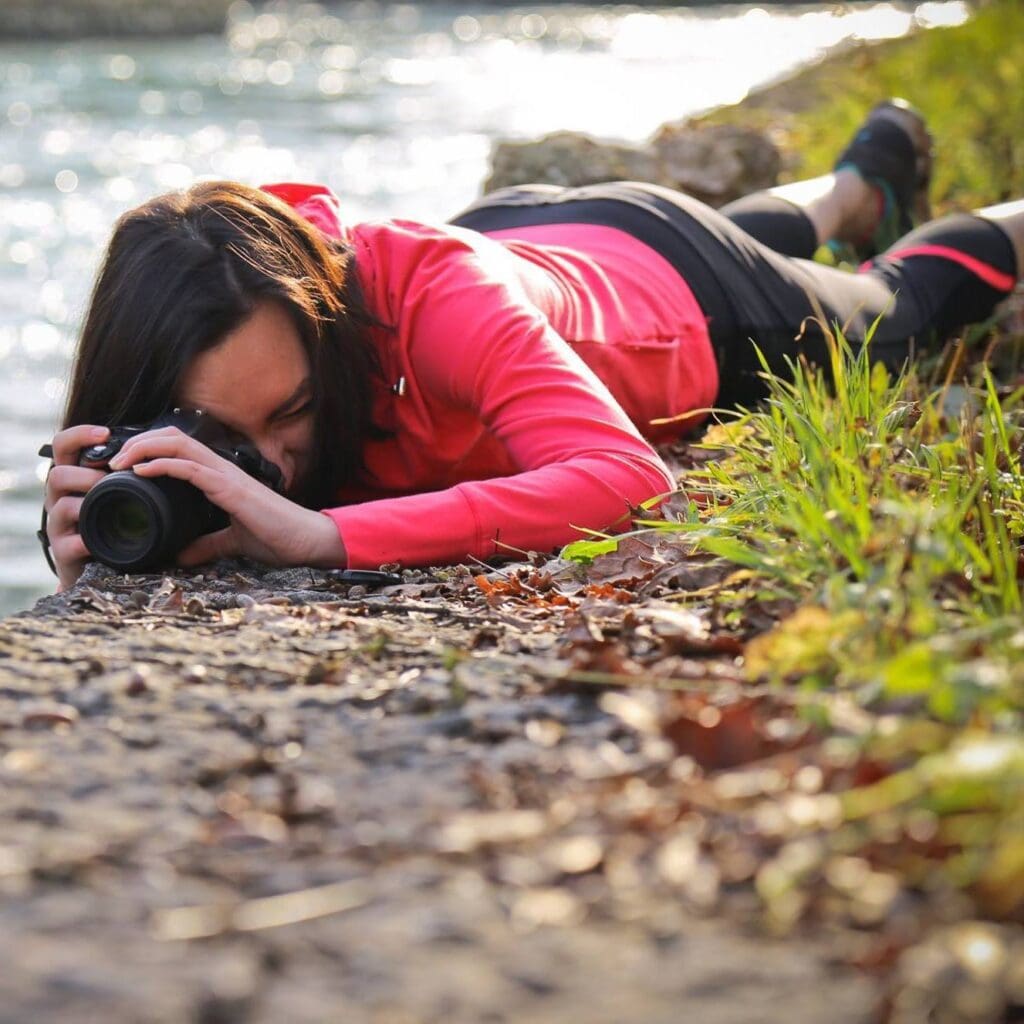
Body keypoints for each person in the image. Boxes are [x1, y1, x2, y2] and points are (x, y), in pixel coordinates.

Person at [41, 100, 1024, 592]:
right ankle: (852, 187)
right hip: (531, 234)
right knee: (781, 233)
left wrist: (326, 534)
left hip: (683, 294)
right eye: (220, 434)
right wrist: (100, 539)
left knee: (888, 311)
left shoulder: (432, 306)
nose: (274, 462)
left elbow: (628, 478)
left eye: (293, 412)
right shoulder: (236, 304)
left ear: (327, 321)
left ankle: (920, 208)